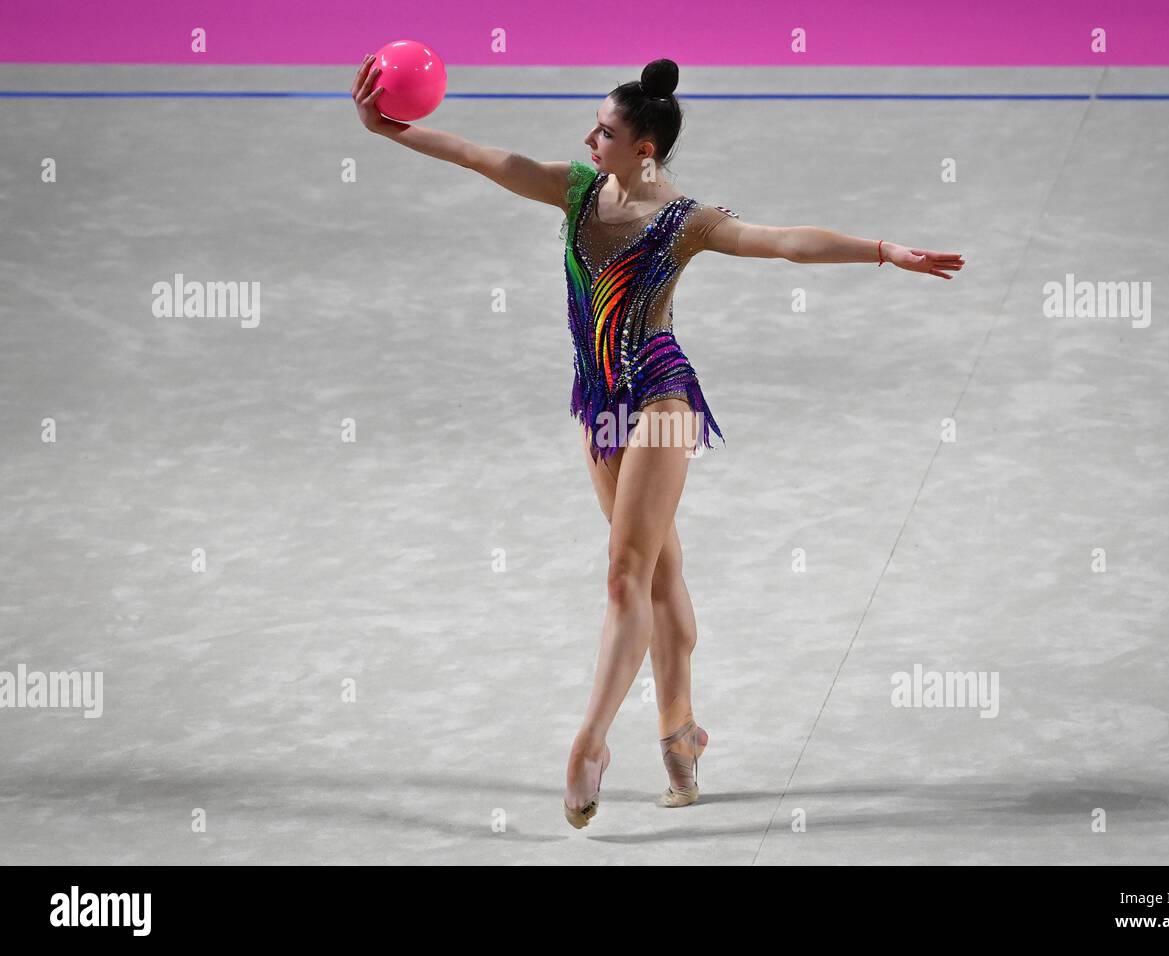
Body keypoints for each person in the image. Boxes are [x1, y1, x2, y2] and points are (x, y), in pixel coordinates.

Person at [351, 55, 965, 829]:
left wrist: (884, 251)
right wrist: (390, 130)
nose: (588, 138)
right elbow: (482, 157)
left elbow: (782, 243)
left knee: (624, 575)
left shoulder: (684, 223)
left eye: (604, 131)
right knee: (662, 576)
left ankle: (590, 743)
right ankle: (681, 733)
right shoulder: (575, 192)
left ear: (644, 148)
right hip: (598, 400)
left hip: (660, 397)